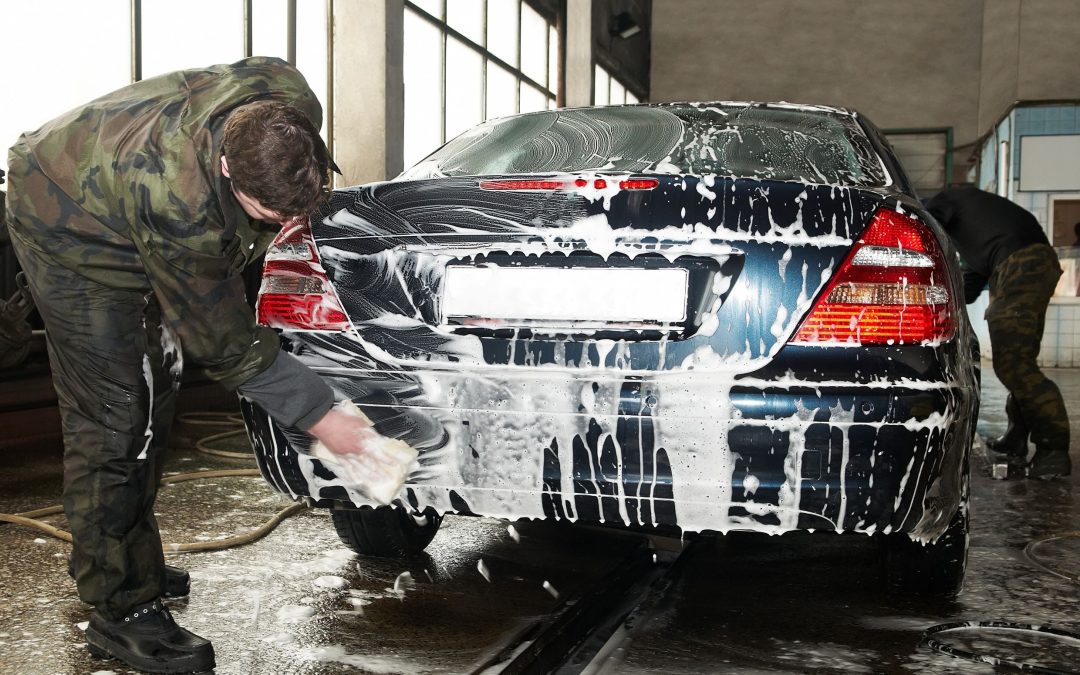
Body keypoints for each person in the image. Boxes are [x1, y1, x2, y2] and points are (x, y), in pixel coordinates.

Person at [4, 57, 378, 674]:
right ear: (227, 169)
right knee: (119, 416)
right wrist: (323, 415)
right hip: (64, 220)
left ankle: (123, 556)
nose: (286, 226)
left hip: (121, 187)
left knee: (157, 385)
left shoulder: (287, 99)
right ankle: (119, 605)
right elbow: (225, 341)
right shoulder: (175, 200)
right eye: (268, 213)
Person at [927, 186, 1071, 480]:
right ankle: (1017, 437)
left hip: (1021, 261)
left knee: (1014, 364)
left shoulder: (946, 198)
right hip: (1025, 260)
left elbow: (927, 228)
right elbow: (967, 288)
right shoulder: (979, 236)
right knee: (1017, 359)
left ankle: (1054, 449)